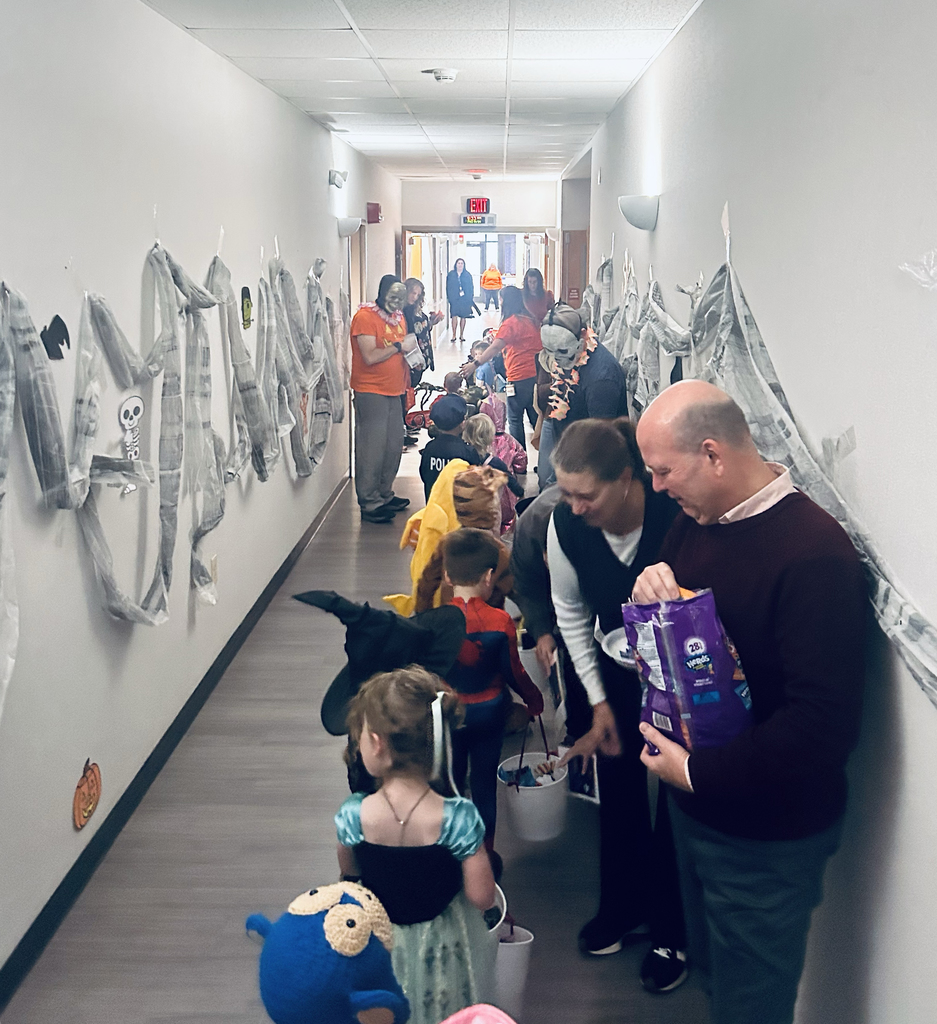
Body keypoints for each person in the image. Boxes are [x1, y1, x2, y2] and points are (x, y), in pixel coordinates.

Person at [631, 380, 867, 1024]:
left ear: (712, 454)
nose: (655, 488)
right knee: (715, 978)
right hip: (698, 812)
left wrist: (695, 772)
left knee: (751, 1004)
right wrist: (656, 583)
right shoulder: (696, 520)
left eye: (662, 471)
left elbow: (821, 727)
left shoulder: (814, 557)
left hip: (765, 836)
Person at [548, 418, 689, 993]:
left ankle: (671, 929)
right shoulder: (566, 525)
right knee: (619, 785)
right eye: (566, 493)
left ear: (629, 479)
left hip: (681, 675)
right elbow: (571, 613)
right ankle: (624, 906)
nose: (575, 507)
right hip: (614, 666)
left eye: (588, 494)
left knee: (676, 799)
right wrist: (599, 700)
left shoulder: (674, 518)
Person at [336, 666, 497, 1024]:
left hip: (379, 942)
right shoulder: (458, 818)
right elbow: (482, 896)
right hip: (443, 943)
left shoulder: (353, 815)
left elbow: (350, 874)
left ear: (376, 743)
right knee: (445, 1007)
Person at [442, 529, 544, 870]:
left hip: (450, 713)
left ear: (446, 575)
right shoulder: (501, 622)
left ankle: (455, 852)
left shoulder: (438, 621)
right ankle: (484, 856)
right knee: (484, 784)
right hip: (489, 712)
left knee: (453, 781)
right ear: (489, 576)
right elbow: (514, 672)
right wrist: (533, 700)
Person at [350, 275, 421, 523]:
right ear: (382, 293)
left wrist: (413, 356)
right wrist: (399, 347)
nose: (397, 302)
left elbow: (402, 347)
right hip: (371, 391)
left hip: (395, 389)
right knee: (372, 448)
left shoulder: (399, 316)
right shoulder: (365, 318)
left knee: (392, 446)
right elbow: (369, 355)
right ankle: (369, 502)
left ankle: (384, 493)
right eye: (393, 296)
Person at [536, 303, 629, 492]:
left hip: (586, 462)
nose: (556, 359)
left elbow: (601, 441)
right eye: (549, 350)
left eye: (562, 351)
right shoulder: (570, 355)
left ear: (583, 335)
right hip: (567, 445)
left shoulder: (601, 378)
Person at [460, 286, 540, 450]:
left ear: (507, 301)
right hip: (536, 376)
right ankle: (547, 461)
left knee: (515, 419)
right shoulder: (530, 320)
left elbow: (495, 348)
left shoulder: (511, 323)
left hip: (518, 376)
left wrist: (474, 364)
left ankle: (519, 459)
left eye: (501, 299)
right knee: (536, 418)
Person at [461, 413, 525, 532]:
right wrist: (521, 494)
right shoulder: (495, 463)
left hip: (466, 508)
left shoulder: (463, 458)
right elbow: (512, 484)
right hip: (490, 510)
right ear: (489, 437)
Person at [419, 395, 480, 501]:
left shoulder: (429, 448)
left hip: (434, 506)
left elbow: (424, 475)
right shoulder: (467, 451)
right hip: (460, 511)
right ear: (462, 424)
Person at [403, 277, 443, 383]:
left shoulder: (415, 309)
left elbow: (420, 329)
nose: (415, 297)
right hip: (411, 356)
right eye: (413, 293)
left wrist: (431, 322)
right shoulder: (402, 311)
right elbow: (410, 333)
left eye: (418, 294)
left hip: (422, 354)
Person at [446, 257, 474, 342]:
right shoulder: (451, 274)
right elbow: (448, 287)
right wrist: (449, 297)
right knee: (454, 316)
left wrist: (470, 297)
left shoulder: (467, 275)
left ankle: (461, 335)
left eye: (462, 263)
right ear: (456, 264)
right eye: (459, 263)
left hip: (464, 299)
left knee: (463, 316)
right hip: (454, 299)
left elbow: (471, 287)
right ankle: (454, 334)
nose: (460, 265)